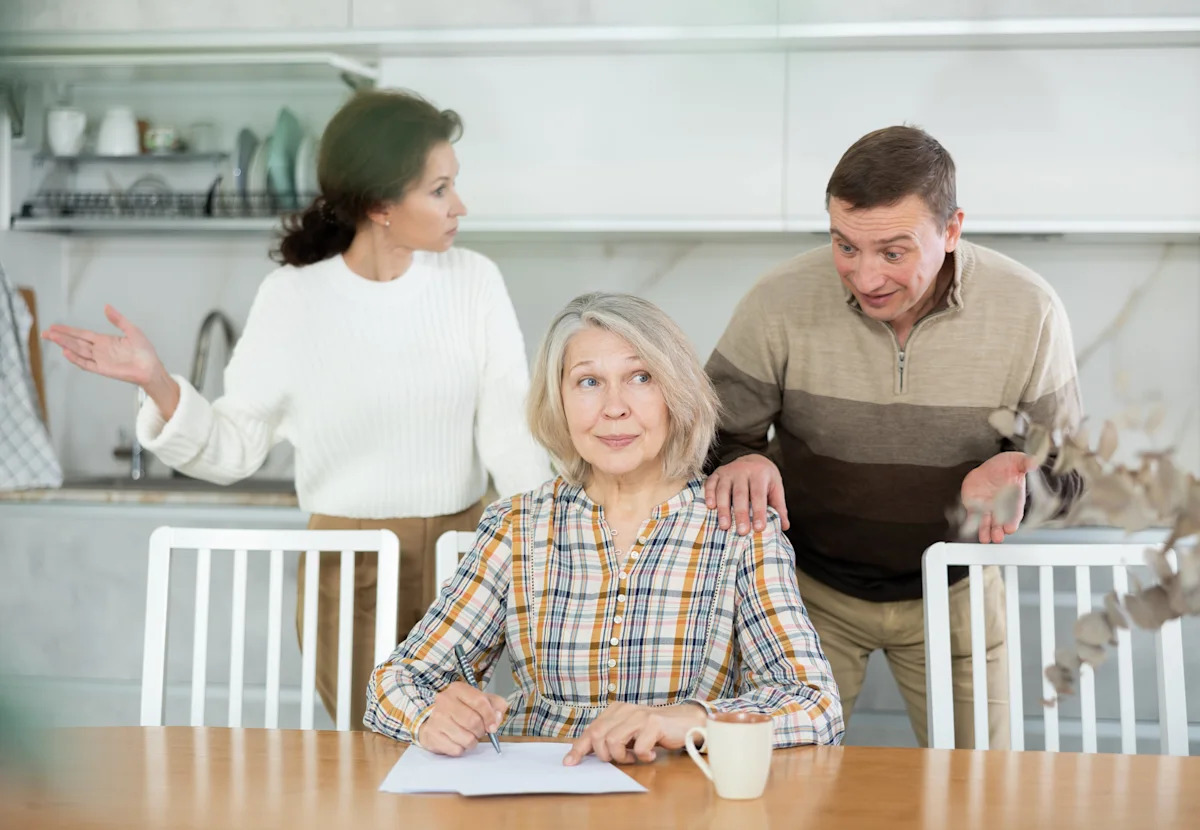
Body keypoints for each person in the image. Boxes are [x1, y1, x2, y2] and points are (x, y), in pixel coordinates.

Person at [41, 88, 550, 729]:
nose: (460, 206)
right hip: (349, 563)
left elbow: (510, 431)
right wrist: (157, 382)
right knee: (370, 750)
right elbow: (233, 444)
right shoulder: (293, 298)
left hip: (461, 560)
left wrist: (547, 546)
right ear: (380, 205)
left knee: (459, 746)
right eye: (440, 189)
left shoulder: (474, 281)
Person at [703, 125, 1085, 750]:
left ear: (952, 229)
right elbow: (708, 438)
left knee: (983, 789)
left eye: (893, 252)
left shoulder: (1029, 310)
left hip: (956, 589)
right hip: (804, 595)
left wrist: (1023, 476)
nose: (865, 275)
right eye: (845, 245)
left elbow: (1071, 475)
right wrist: (740, 460)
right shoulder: (777, 302)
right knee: (779, 785)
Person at [363, 292, 843, 762]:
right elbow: (394, 684)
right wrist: (431, 715)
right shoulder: (515, 526)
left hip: (680, 795)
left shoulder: (739, 527)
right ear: (559, 402)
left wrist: (690, 719)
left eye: (640, 377)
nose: (615, 407)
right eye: (588, 382)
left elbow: (815, 705)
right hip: (538, 791)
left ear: (676, 394)